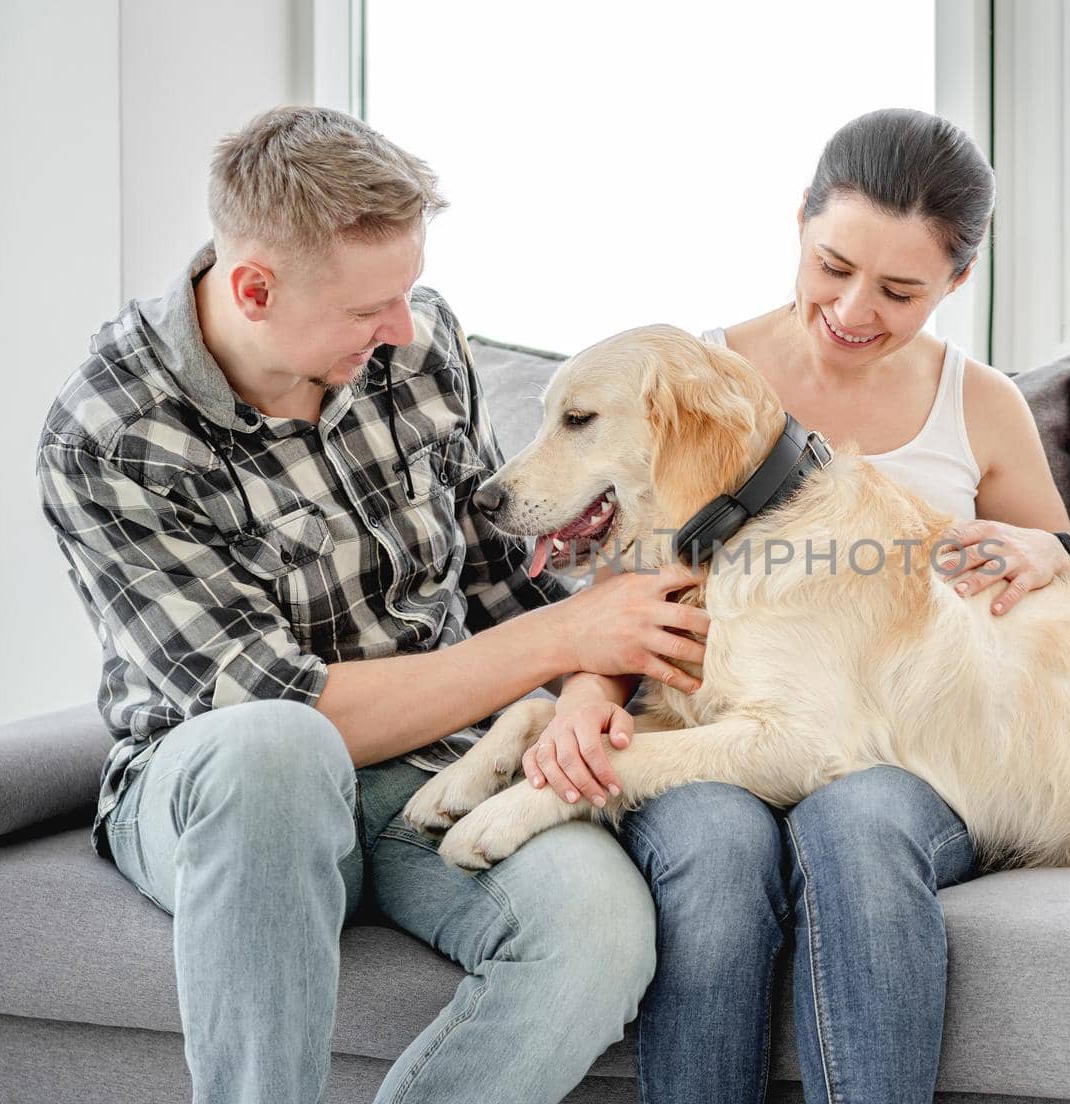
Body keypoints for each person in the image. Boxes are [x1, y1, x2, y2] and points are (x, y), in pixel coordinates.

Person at [35, 105, 710, 1104]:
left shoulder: (419, 340)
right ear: (254, 288)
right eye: (369, 309)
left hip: (426, 767)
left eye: (406, 291)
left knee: (600, 928)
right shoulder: (112, 435)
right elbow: (289, 711)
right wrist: (560, 633)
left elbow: (498, 579)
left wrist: (581, 680)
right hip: (222, 790)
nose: (403, 326)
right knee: (276, 750)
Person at [539, 108, 1070, 1103]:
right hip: (712, 726)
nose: (850, 308)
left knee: (857, 823)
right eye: (832, 264)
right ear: (798, 223)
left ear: (956, 282)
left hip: (906, 749)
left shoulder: (980, 405)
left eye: (899, 290)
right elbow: (617, 589)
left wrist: (1042, 551)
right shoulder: (692, 380)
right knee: (713, 843)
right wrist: (585, 696)